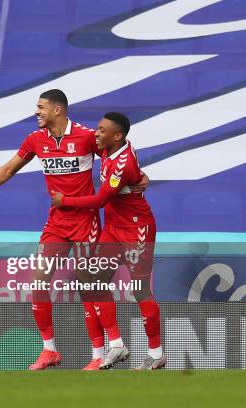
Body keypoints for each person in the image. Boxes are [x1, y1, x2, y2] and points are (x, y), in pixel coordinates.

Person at [0, 89, 148, 370]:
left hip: (86, 222)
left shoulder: (85, 136)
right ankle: (50, 350)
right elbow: (9, 169)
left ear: (57, 110)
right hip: (57, 222)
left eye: (41, 107)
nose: (37, 112)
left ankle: (98, 354)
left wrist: (141, 175)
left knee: (88, 286)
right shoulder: (35, 140)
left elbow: (118, 154)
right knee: (39, 283)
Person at [51, 112, 165, 370]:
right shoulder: (110, 148)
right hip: (113, 229)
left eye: (102, 130)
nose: (97, 134)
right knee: (92, 279)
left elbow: (99, 200)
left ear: (118, 136)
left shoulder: (121, 164)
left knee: (140, 290)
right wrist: (142, 176)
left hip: (136, 230)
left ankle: (156, 353)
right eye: (97, 128)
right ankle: (116, 344)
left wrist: (64, 201)